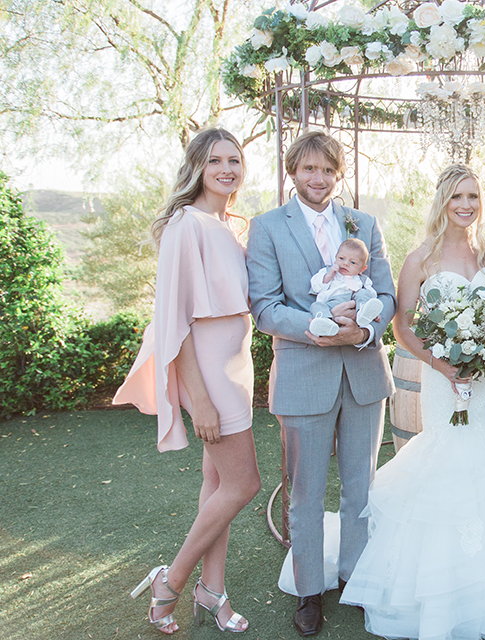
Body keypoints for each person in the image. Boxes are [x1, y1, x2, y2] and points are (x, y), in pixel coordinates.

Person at [341, 164, 485, 639]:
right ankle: (439, 593)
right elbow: (403, 326)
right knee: (447, 464)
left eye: (472, 196)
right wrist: (443, 365)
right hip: (442, 380)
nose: (466, 205)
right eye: (457, 197)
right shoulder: (421, 259)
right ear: (442, 202)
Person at [245, 130, 396, 637]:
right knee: (304, 492)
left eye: (327, 170)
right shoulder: (267, 227)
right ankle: (310, 590)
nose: (318, 178)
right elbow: (264, 306)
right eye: (309, 169)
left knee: (361, 486)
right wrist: (314, 331)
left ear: (338, 173)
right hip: (303, 374)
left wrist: (367, 329)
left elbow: (389, 296)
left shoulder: (365, 224)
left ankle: (355, 579)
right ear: (293, 172)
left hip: (363, 373)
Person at [116, 128, 261, 634]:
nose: (227, 169)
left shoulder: (228, 225)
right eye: (215, 160)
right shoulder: (185, 225)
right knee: (245, 483)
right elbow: (172, 322)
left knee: (218, 482)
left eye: (234, 160)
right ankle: (171, 580)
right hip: (209, 377)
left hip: (237, 369)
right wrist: (198, 398)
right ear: (197, 166)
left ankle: (212, 590)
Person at [308, 238, 383, 337]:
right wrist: (328, 276)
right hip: (330, 305)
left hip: (354, 305)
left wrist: (373, 313)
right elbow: (315, 287)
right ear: (336, 257)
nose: (345, 263)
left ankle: (363, 313)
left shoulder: (362, 280)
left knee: (363, 293)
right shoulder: (328, 272)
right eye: (341, 258)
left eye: (353, 263)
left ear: (362, 269)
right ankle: (325, 323)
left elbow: (371, 295)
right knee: (316, 306)